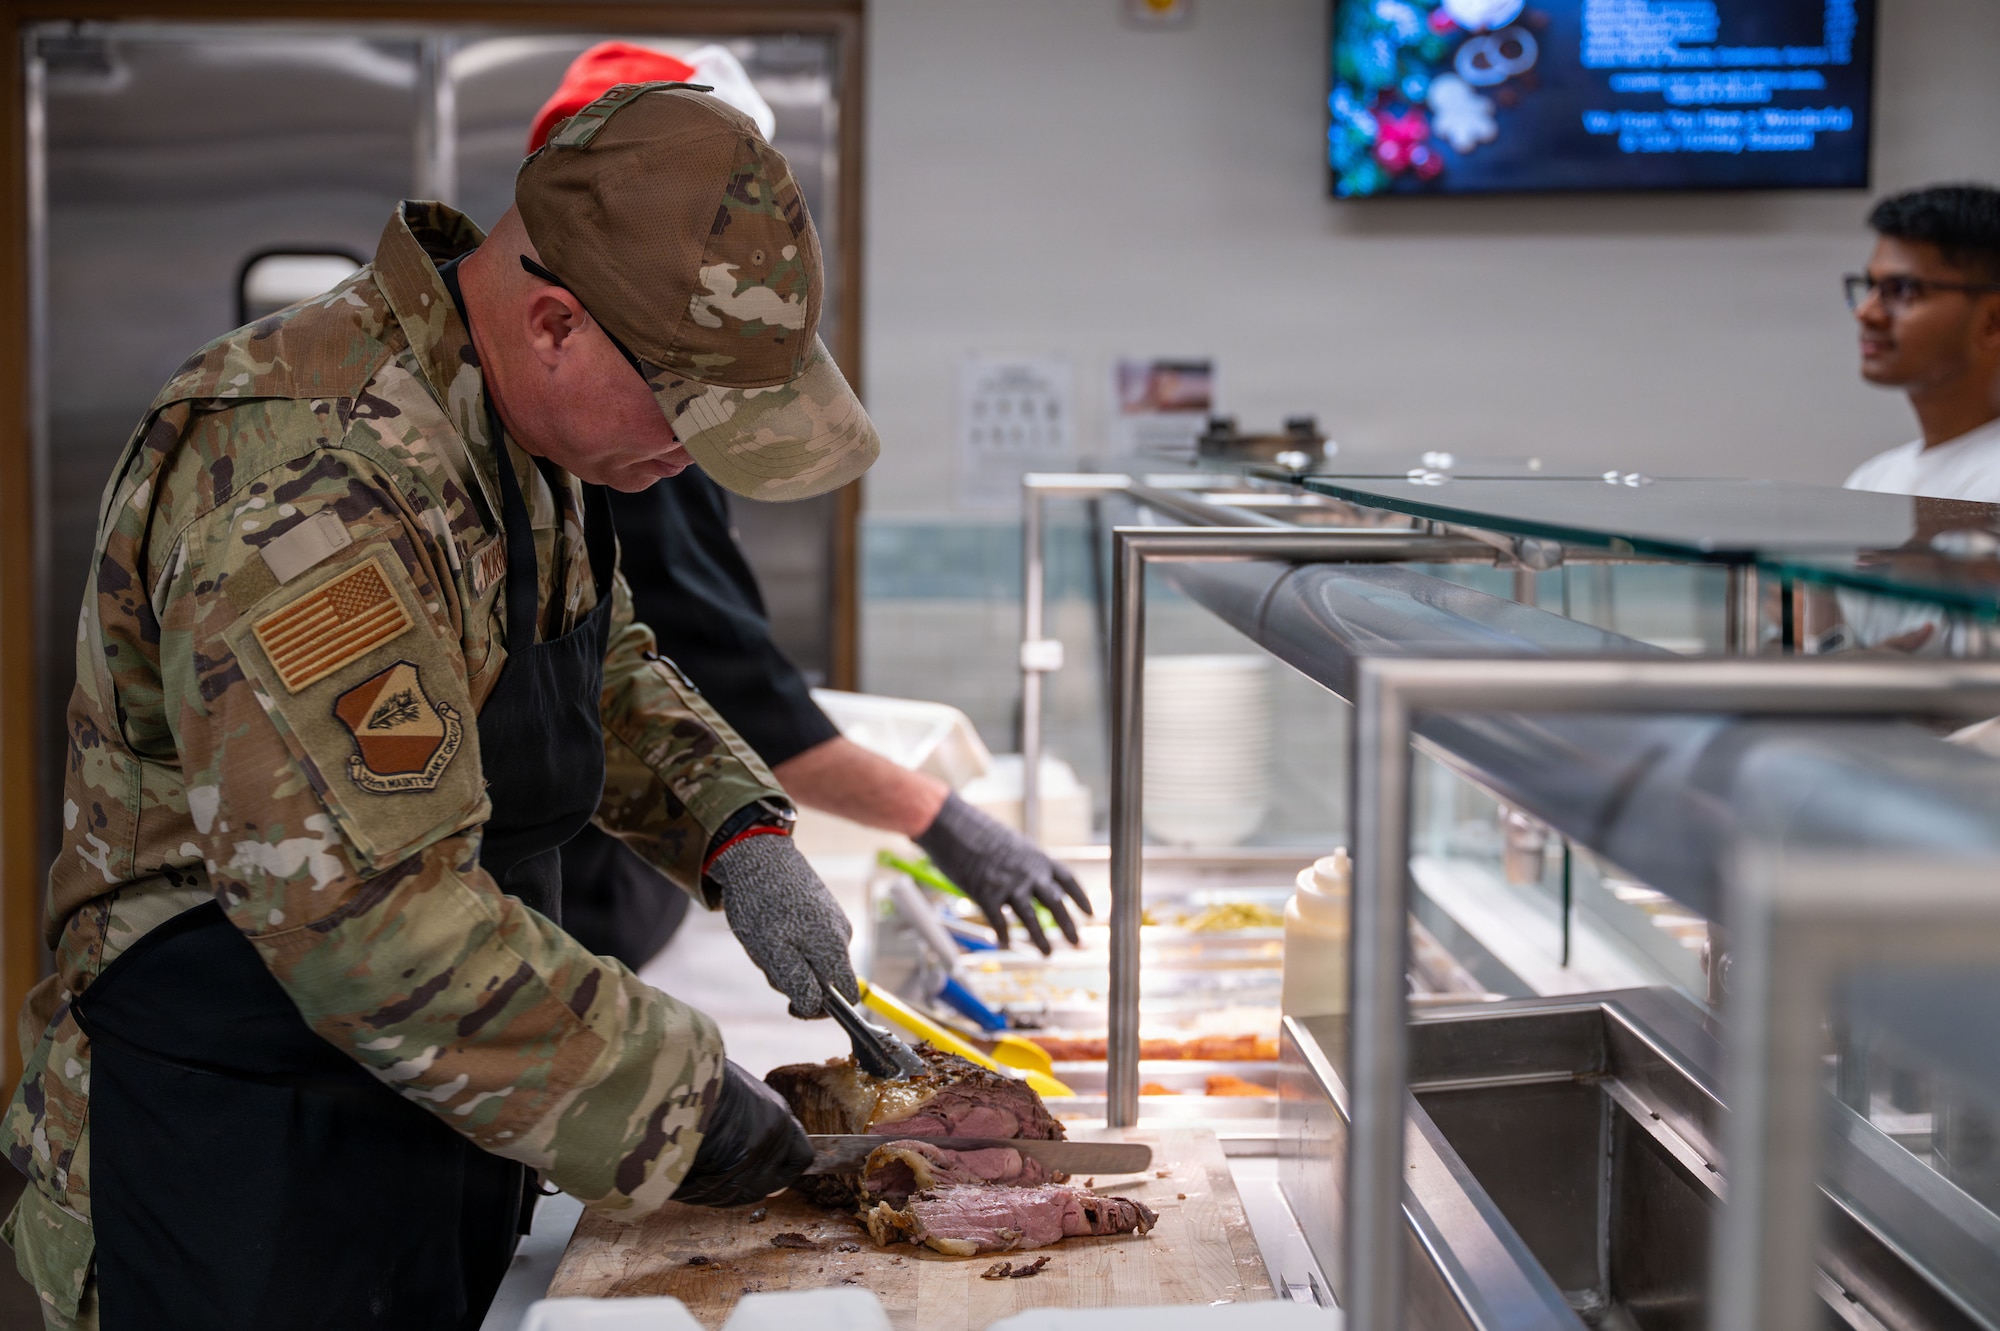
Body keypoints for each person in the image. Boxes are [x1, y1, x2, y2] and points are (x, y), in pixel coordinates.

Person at [3, 85, 877, 1330]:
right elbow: (369, 922)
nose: (693, 452)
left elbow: (597, 654)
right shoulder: (314, 486)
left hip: (423, 1105)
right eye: (685, 410)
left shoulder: (508, 425)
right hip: (238, 1152)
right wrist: (682, 1098)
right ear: (557, 321)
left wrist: (735, 831)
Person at [535, 44, 1094, 969]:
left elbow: (619, 668)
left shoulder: (611, 428)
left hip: (614, 908)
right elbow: (732, 686)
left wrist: (741, 837)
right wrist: (672, 1079)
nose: (684, 452)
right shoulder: (580, 439)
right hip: (558, 929)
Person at [1843, 183, 2000, 502]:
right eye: (1871, 287)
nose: (1866, 312)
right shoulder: (1875, 477)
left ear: (1992, 321)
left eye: (1901, 290)